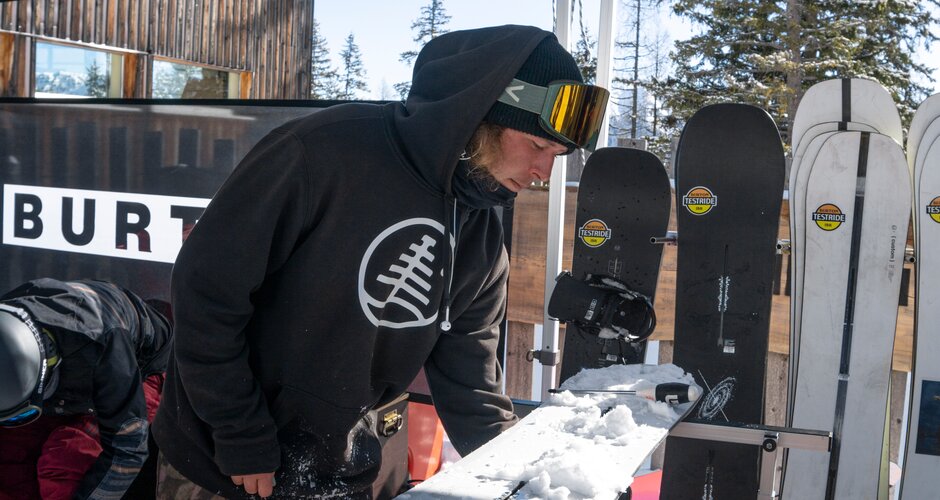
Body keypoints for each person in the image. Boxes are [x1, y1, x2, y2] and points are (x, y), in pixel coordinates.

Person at [152, 24, 609, 499]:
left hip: (340, 471)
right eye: (537, 146)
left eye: (556, 155)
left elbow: (470, 380)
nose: (543, 173)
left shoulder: (480, 233)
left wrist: (529, 479)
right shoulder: (322, 152)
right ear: (480, 115)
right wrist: (239, 433)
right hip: (226, 465)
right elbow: (206, 294)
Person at [0, 278, 173, 500]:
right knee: (8, 455)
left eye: (24, 415)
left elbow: (127, 450)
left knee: (65, 459)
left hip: (142, 373)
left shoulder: (105, 345)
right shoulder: (7, 321)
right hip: (63, 390)